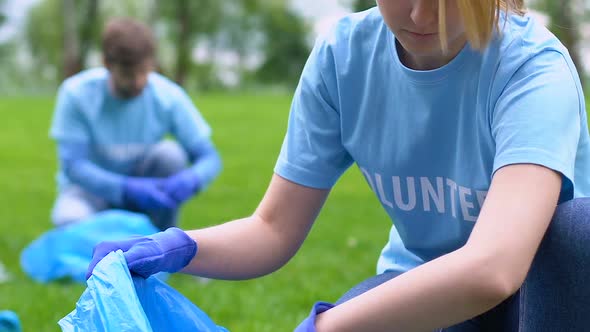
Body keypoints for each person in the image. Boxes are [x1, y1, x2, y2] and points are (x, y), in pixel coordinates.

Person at [87, 1, 590, 330]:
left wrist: (329, 327)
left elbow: (493, 269)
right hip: (423, 286)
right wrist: (180, 246)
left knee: (575, 230)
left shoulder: (530, 68)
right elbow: (273, 227)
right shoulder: (345, 57)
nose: (418, 14)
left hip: (538, 302)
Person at [49, 17, 221, 231]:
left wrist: (193, 179)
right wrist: (125, 189)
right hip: (89, 194)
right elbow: (74, 166)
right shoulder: (77, 94)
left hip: (147, 195)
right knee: (69, 220)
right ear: (107, 64)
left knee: (171, 155)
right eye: (129, 75)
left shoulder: (167, 96)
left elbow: (209, 157)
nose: (139, 82)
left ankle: (160, 248)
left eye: (145, 71)